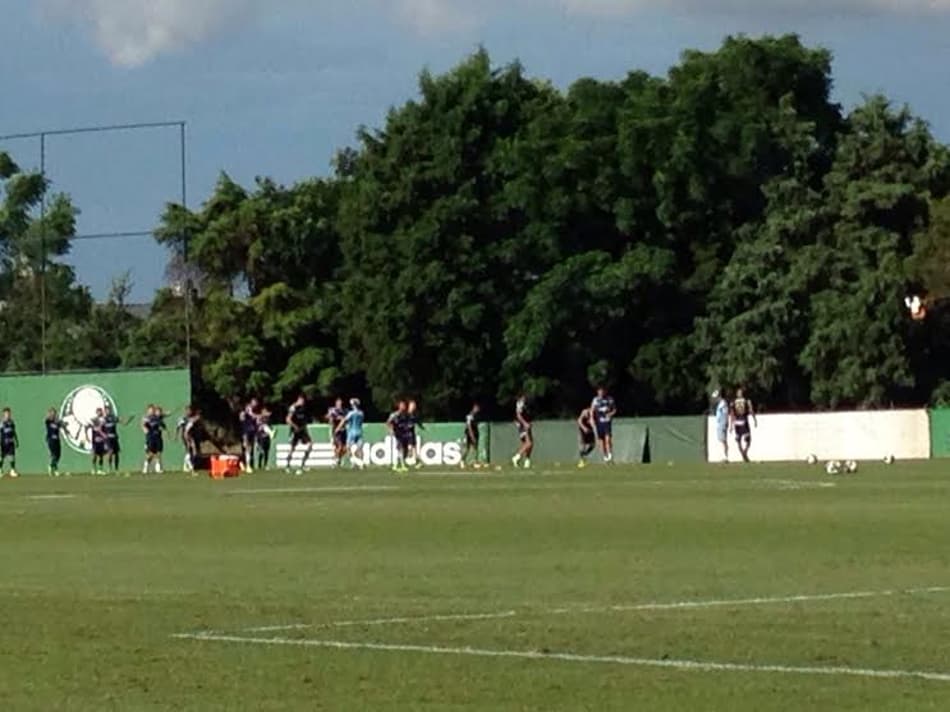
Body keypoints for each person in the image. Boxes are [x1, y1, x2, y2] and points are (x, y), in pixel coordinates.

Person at [285, 394, 312, 474]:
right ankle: (287, 466)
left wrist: (305, 427)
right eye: (302, 400)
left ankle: (302, 465)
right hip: (295, 430)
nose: (303, 402)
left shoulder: (303, 408)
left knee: (310, 445)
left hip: (302, 430)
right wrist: (295, 426)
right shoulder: (293, 408)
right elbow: (288, 419)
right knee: (292, 449)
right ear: (299, 400)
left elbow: (303, 419)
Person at [731, 388, 758, 463]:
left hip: (737, 422)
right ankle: (744, 454)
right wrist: (755, 419)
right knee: (748, 441)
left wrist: (731, 424)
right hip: (744, 422)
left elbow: (732, 413)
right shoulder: (747, 400)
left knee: (738, 441)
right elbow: (751, 410)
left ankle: (743, 455)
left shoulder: (733, 401)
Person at [591, 387, 617, 463]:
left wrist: (610, 414)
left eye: (603, 391)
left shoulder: (610, 399)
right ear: (598, 392)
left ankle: (610, 455)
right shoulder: (595, 400)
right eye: (600, 391)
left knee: (608, 439)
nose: (601, 392)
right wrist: (592, 419)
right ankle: (605, 456)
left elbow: (614, 410)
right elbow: (592, 410)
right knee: (601, 441)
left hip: (607, 422)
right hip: (599, 423)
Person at [338, 398, 366, 470]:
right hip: (359, 432)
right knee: (360, 449)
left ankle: (354, 463)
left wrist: (338, 428)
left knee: (348, 448)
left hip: (351, 432)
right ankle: (361, 464)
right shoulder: (361, 413)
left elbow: (344, 420)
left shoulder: (351, 413)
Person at [386, 401, 411, 473]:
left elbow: (406, 424)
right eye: (402, 405)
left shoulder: (406, 415)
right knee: (400, 449)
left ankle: (397, 465)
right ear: (399, 406)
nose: (404, 407)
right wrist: (391, 430)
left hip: (404, 434)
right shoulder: (395, 415)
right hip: (398, 434)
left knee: (403, 449)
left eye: (404, 405)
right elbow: (388, 422)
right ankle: (401, 465)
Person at [142, 405, 167, 474]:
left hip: (158, 437)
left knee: (159, 452)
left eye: (153, 410)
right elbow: (143, 424)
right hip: (151, 437)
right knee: (151, 453)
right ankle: (146, 464)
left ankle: (158, 468)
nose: (152, 411)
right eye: (150, 410)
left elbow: (163, 416)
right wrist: (145, 428)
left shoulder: (158, 418)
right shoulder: (147, 418)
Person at [102, 404, 126, 474]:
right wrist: (104, 435)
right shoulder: (104, 419)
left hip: (115, 437)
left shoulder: (114, 418)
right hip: (108, 438)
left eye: (109, 409)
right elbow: (100, 428)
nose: (108, 411)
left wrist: (125, 421)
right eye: (106, 410)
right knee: (110, 452)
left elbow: (123, 422)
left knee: (116, 453)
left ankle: (116, 469)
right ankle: (109, 468)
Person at [240, 398, 261, 473]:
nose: (255, 404)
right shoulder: (248, 408)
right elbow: (250, 415)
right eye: (254, 402)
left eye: (256, 403)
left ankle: (243, 463)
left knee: (249, 448)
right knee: (246, 447)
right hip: (246, 431)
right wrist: (258, 416)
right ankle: (247, 465)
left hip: (252, 431)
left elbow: (256, 421)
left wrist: (258, 421)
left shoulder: (256, 411)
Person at [512, 395, 533, 469]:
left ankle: (527, 461)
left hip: (525, 423)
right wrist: (524, 423)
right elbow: (518, 415)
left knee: (529, 443)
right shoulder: (520, 403)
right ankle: (516, 457)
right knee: (529, 443)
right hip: (523, 425)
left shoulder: (524, 403)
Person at [326, 398, 348, 468]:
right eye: (338, 403)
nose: (339, 404)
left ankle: (338, 459)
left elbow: (346, 419)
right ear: (336, 403)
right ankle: (335, 460)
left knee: (344, 448)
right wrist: (331, 417)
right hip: (336, 431)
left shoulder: (345, 410)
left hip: (343, 431)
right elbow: (328, 417)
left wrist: (343, 419)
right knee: (339, 446)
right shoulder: (333, 410)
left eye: (340, 403)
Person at [45, 407, 66, 477]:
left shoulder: (57, 422)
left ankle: (54, 467)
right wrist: (52, 417)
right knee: (53, 454)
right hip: (51, 440)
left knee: (58, 455)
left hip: (57, 440)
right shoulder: (48, 421)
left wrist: (63, 424)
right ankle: (52, 467)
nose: (53, 414)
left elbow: (62, 425)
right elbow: (48, 419)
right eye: (52, 413)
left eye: (54, 413)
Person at [461, 403, 482, 469]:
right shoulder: (469, 416)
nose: (478, 410)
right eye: (477, 408)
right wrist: (471, 435)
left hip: (475, 433)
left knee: (475, 448)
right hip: (470, 434)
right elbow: (469, 426)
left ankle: (474, 462)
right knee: (467, 448)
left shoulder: (476, 416)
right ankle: (462, 461)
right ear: (474, 408)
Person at [88, 407, 108, 476]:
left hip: (101, 441)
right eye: (98, 412)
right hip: (95, 441)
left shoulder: (103, 420)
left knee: (101, 456)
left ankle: (100, 469)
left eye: (100, 411)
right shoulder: (94, 420)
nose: (100, 413)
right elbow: (91, 425)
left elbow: (104, 430)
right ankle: (93, 469)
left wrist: (104, 436)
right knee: (94, 455)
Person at [0, 408, 19, 478]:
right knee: (2, 457)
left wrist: (16, 440)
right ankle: (0, 470)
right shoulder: (2, 423)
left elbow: (14, 432)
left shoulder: (12, 422)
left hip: (11, 442)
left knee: (12, 456)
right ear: (4, 415)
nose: (8, 415)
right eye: (6, 414)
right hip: (3, 443)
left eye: (9, 414)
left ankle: (12, 470)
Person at [407, 400, 425, 469]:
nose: (414, 407)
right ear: (409, 406)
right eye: (412, 406)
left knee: (414, 447)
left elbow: (417, 422)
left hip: (412, 433)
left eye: (414, 406)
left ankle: (417, 462)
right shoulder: (406, 414)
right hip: (407, 433)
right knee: (410, 447)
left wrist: (422, 427)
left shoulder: (414, 415)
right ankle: (406, 460)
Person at [713, 390, 730, 462]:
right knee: (722, 440)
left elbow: (725, 414)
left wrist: (725, 423)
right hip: (720, 423)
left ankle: (725, 456)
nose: (715, 399)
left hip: (722, 423)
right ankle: (724, 455)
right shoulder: (720, 404)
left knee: (723, 440)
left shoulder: (723, 404)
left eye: (716, 397)